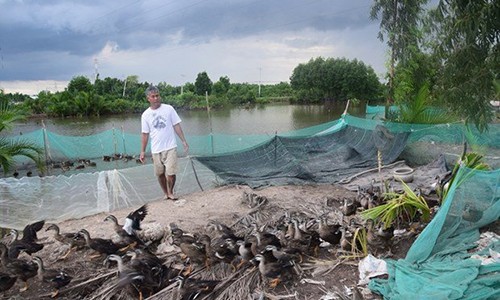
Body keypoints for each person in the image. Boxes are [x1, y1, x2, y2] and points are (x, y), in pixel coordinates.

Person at [140, 85, 189, 200]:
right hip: (156, 149)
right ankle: (166, 192)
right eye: (153, 96)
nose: (156, 98)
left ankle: (171, 192)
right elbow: (145, 134)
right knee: (160, 173)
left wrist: (183, 141)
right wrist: (142, 151)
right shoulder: (145, 115)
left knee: (171, 173)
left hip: (170, 147)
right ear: (148, 98)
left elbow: (176, 125)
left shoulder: (169, 109)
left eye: (157, 96)